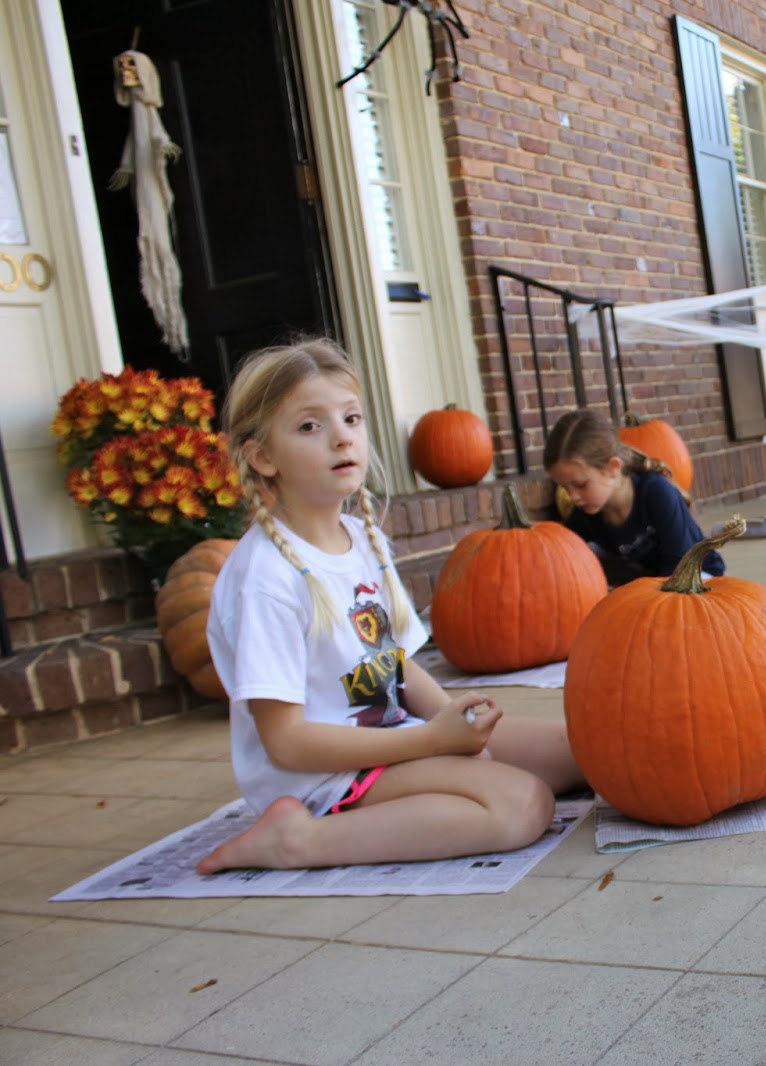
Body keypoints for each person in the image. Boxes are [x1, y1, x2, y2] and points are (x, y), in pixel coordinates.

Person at [196, 339, 584, 875]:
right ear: (262, 456)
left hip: (391, 737)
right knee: (522, 805)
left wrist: (456, 723)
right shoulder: (266, 578)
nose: (340, 438)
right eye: (310, 426)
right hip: (323, 775)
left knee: (580, 749)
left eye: (350, 418)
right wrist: (430, 742)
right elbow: (285, 745)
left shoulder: (357, 536)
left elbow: (392, 665)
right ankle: (300, 840)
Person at [543, 408, 724, 585]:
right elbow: (561, 550)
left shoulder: (656, 492)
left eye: (581, 485)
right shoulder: (586, 511)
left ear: (613, 468)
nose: (573, 497)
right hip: (648, 581)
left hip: (695, 575)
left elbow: (680, 565)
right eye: (565, 488)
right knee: (583, 551)